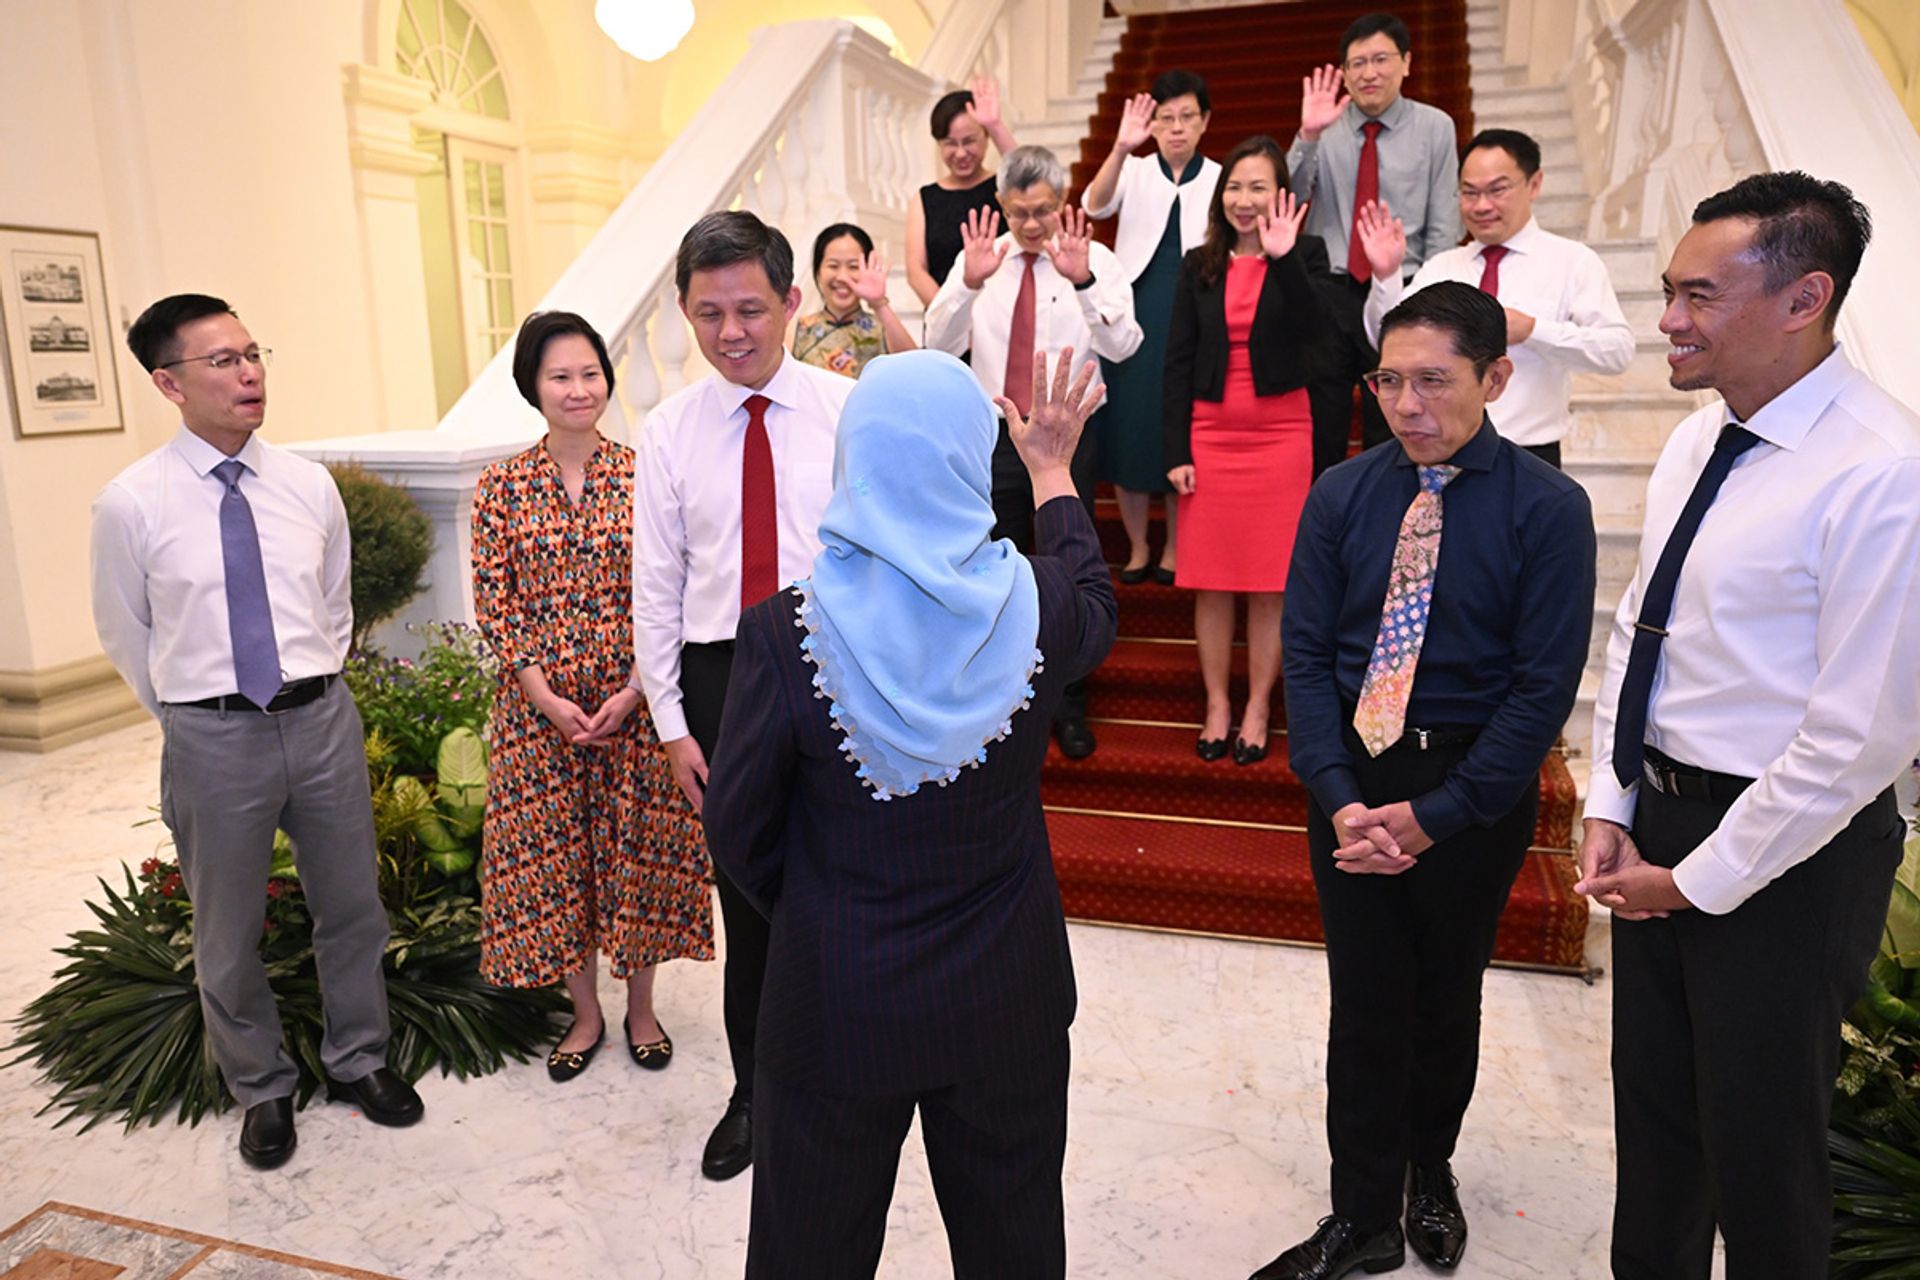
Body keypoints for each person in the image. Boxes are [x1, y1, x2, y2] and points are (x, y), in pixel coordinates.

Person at [702, 346, 1117, 1279]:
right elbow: (1098, 599)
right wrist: (1051, 469)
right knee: (1012, 1246)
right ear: (969, 461)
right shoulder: (1040, 604)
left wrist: (819, 907)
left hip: (838, 997)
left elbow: (736, 828)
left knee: (811, 1248)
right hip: (1005, 994)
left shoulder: (782, 632)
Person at [1577, 173, 1920, 1280]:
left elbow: (1856, 737)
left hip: (1790, 853)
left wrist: (1698, 876)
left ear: (1803, 297)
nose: (1667, 319)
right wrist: (1611, 801)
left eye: (1697, 294)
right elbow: (1642, 628)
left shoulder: (1885, 472)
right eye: (1670, 292)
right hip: (1664, 826)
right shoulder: (1698, 438)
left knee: (1766, 1162)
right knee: (1660, 1138)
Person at [1266, 283, 1594, 1279]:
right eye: (1392, 380)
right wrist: (1337, 790)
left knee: (1445, 993)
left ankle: (1430, 1168)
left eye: (1435, 381)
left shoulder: (1551, 509)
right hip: (1354, 776)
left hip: (1471, 782)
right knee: (1363, 997)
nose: (1409, 404)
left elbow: (1543, 689)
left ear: (1494, 377)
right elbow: (1312, 653)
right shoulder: (1341, 492)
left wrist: (1440, 812)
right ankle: (1359, 1210)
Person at [91, 294, 424, 1170]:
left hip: (319, 721)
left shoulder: (308, 485)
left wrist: (313, 687)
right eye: (223, 361)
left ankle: (360, 1061)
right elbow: (127, 633)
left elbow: (335, 604)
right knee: (227, 930)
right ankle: (262, 1089)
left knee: (351, 905)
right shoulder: (132, 504)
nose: (249, 373)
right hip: (213, 738)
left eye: (252, 353)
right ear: (169, 383)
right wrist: (194, 720)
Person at [631, 210, 854, 1182]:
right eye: (708, 312)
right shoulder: (669, 429)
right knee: (752, 898)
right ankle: (757, 1092)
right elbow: (658, 585)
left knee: (851, 884)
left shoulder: (849, 410)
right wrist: (674, 724)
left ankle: (856, 1080)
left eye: (750, 309)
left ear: (791, 303)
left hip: (839, 668)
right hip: (727, 678)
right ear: (686, 311)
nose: (731, 332)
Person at [470, 311, 714, 1084]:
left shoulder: (648, 471)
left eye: (590, 373)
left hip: (636, 707)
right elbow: (495, 600)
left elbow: (677, 584)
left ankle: (642, 1007)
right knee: (556, 864)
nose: (580, 389)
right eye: (560, 376)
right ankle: (584, 1013)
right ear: (533, 387)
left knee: (636, 856)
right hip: (540, 716)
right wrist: (543, 696)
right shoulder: (501, 485)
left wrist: (639, 689)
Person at [924, 143, 1142, 759]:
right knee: (1000, 571)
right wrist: (966, 284)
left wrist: (1084, 282)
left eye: (1042, 211)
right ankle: (1005, 699)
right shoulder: (982, 264)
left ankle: (1069, 703)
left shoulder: (1093, 258)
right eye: (1018, 212)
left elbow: (1125, 345)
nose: (1029, 225)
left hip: (1069, 439)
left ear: (1062, 201)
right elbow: (935, 342)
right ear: (1001, 206)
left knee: (1067, 570)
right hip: (994, 440)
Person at [1162, 135, 1324, 766]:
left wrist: (1282, 261)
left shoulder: (1303, 253)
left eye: (1258, 186)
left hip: (1282, 437)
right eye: (1234, 186)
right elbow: (1175, 362)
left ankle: (1258, 705)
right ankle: (1216, 705)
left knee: (1269, 585)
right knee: (1211, 583)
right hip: (1210, 436)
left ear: (1280, 193)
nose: (1244, 199)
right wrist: (1176, 447)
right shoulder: (1198, 263)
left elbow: (1319, 341)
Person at [1353, 128, 1634, 467]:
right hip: (1442, 453)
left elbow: (1617, 351)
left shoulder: (1572, 261)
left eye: (1497, 190)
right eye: (1469, 193)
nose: (1481, 205)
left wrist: (1533, 330)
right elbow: (1382, 338)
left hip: (1529, 454)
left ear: (1534, 184)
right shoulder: (1442, 266)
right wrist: (1385, 276)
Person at [1287, 11, 1462, 476]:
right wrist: (1307, 136)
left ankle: (1393, 513)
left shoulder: (1435, 127)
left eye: (1380, 59)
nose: (1368, 73)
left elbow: (1444, 218)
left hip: (1403, 286)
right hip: (1331, 288)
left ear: (1406, 62)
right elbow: (1289, 199)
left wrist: (1432, 293)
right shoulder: (1324, 124)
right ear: (1344, 72)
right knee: (1324, 414)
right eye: (1356, 63)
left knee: (1398, 408)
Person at [1082, 68, 1220, 583]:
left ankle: (1176, 550)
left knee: (1180, 427)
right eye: (1166, 118)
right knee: (1131, 429)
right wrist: (1120, 148)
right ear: (1153, 123)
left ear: (1205, 121)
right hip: (1134, 312)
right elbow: (1094, 205)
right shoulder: (1135, 169)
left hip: (1195, 310)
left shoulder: (1220, 176)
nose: (1177, 128)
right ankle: (1139, 546)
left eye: (1187, 117)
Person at [906, 75, 1019, 306]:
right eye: (949, 143)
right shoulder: (925, 199)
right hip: (946, 321)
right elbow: (916, 271)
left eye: (969, 141)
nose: (960, 153)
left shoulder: (1004, 187)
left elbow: (1028, 176)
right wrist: (951, 317)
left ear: (986, 137)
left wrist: (995, 124)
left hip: (1003, 315)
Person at [791, 223, 917, 379]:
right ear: (818, 272)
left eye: (853, 266)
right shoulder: (798, 329)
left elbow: (916, 370)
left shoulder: (882, 328)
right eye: (833, 265)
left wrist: (878, 303)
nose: (843, 277)